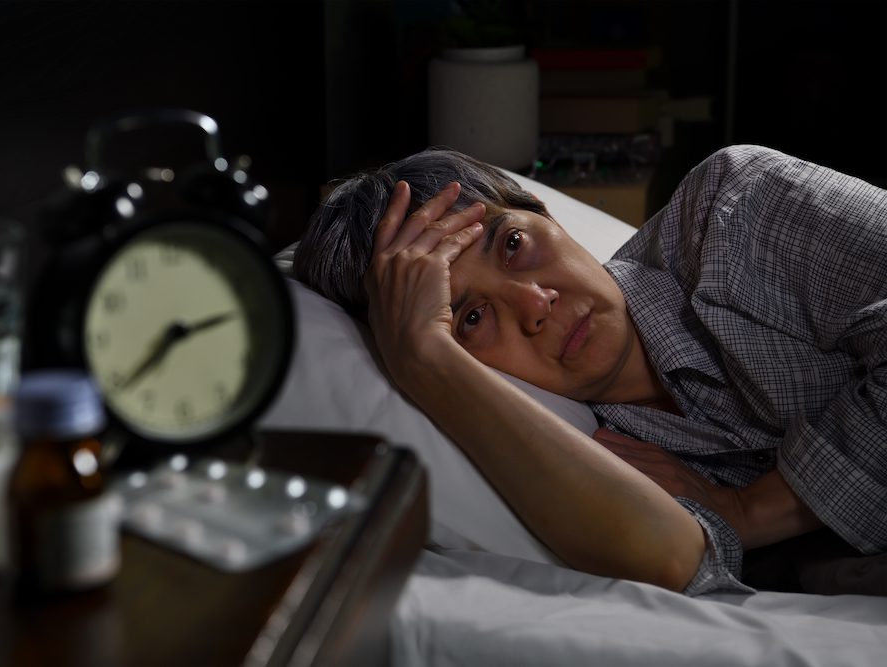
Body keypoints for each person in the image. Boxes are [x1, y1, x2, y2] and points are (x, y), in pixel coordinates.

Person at [293, 145, 887, 595]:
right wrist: (426, 358)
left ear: (545, 214)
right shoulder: (575, 447)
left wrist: (750, 508)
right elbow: (678, 560)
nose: (534, 304)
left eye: (513, 245)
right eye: (472, 317)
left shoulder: (736, 210)